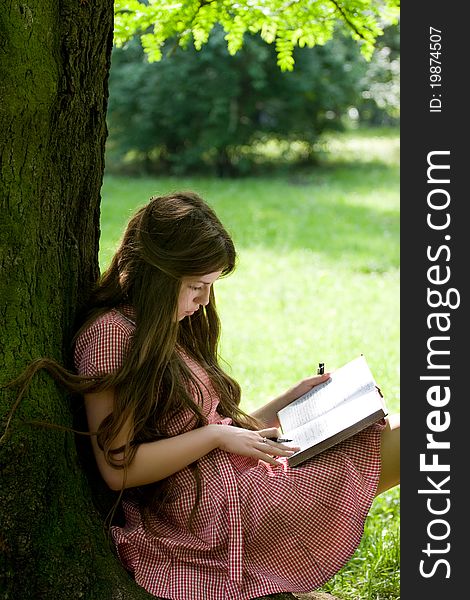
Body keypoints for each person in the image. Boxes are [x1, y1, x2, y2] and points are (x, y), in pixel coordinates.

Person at [16, 191, 401, 600]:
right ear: (158, 274)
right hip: (207, 514)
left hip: (232, 477)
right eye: (196, 286)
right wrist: (217, 437)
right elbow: (119, 469)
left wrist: (285, 403)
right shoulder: (111, 335)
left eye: (210, 287)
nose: (202, 302)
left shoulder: (165, 327)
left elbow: (206, 425)